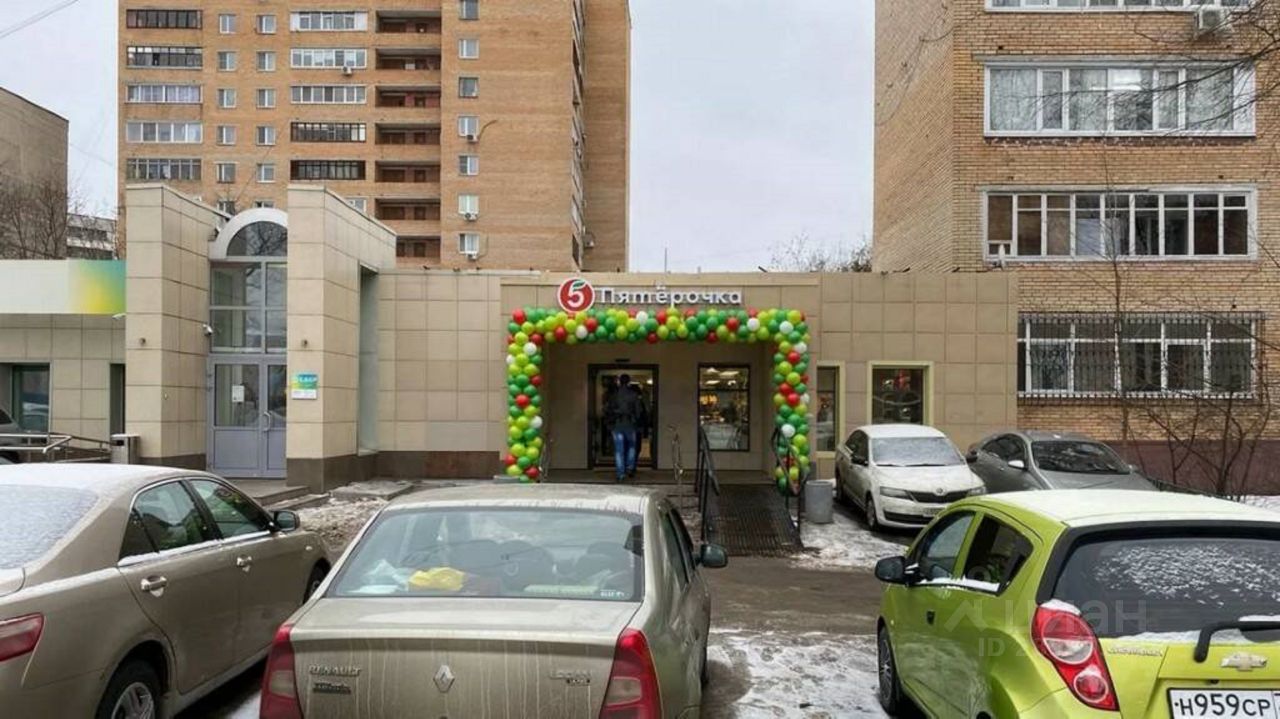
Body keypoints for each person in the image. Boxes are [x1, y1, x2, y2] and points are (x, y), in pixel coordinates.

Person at [605, 373, 648, 482]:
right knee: (632, 447)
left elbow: (608, 410)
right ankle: (630, 467)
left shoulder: (614, 395)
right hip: (630, 425)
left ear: (619, 381)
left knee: (619, 450)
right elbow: (638, 412)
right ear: (629, 382)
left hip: (617, 425)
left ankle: (620, 473)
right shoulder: (634, 395)